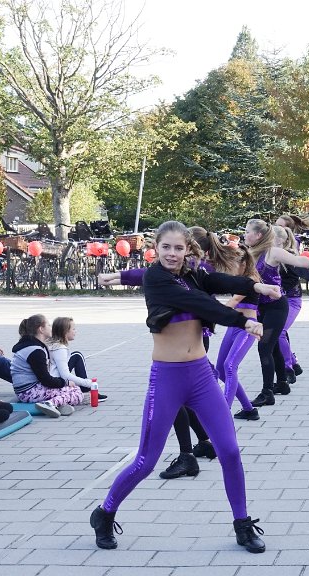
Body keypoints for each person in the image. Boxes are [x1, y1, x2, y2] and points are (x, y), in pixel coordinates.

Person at [89, 221, 275, 554]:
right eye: (166, 248)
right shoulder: (157, 279)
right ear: (155, 249)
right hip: (168, 378)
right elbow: (202, 304)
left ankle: (242, 525)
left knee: (229, 451)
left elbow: (217, 280)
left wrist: (256, 288)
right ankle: (104, 513)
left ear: (187, 249)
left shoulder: (190, 274)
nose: (173, 254)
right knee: (147, 460)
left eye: (179, 248)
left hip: (201, 376)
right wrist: (243, 320)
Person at [98, 268, 222, 480]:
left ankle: (187, 455)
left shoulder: (192, 270)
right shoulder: (193, 268)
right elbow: (148, 274)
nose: (171, 254)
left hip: (184, 340)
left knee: (174, 399)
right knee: (182, 398)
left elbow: (149, 274)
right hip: (190, 336)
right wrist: (118, 277)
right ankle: (204, 442)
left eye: (177, 247)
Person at [244, 220, 309, 408]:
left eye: (247, 232)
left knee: (264, 348)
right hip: (260, 307)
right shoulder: (249, 253)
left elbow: (299, 261)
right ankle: (283, 384)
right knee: (274, 347)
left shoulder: (272, 251)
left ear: (258, 235)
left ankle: (267, 392)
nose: (245, 235)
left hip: (277, 306)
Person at [273, 218, 309, 384]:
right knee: (278, 333)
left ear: (286, 233)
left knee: (279, 331)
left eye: (280, 227)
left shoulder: (288, 253)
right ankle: (294, 363)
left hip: (291, 299)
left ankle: (288, 368)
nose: (276, 228)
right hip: (275, 299)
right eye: (275, 226)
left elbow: (300, 267)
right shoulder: (269, 251)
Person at [10, 314, 83, 418]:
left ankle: (57, 404)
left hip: (25, 390)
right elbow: (46, 380)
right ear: (41, 329)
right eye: (48, 325)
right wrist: (65, 382)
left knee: (70, 389)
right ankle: (49, 404)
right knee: (77, 392)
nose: (51, 328)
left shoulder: (31, 345)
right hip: (29, 392)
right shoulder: (35, 350)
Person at [47, 317, 105, 401]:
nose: (75, 331)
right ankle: (86, 388)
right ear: (65, 331)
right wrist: (87, 383)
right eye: (73, 329)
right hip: (55, 381)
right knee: (77, 355)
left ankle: (85, 388)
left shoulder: (52, 344)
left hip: (52, 377)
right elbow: (65, 375)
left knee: (76, 356)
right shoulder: (60, 348)